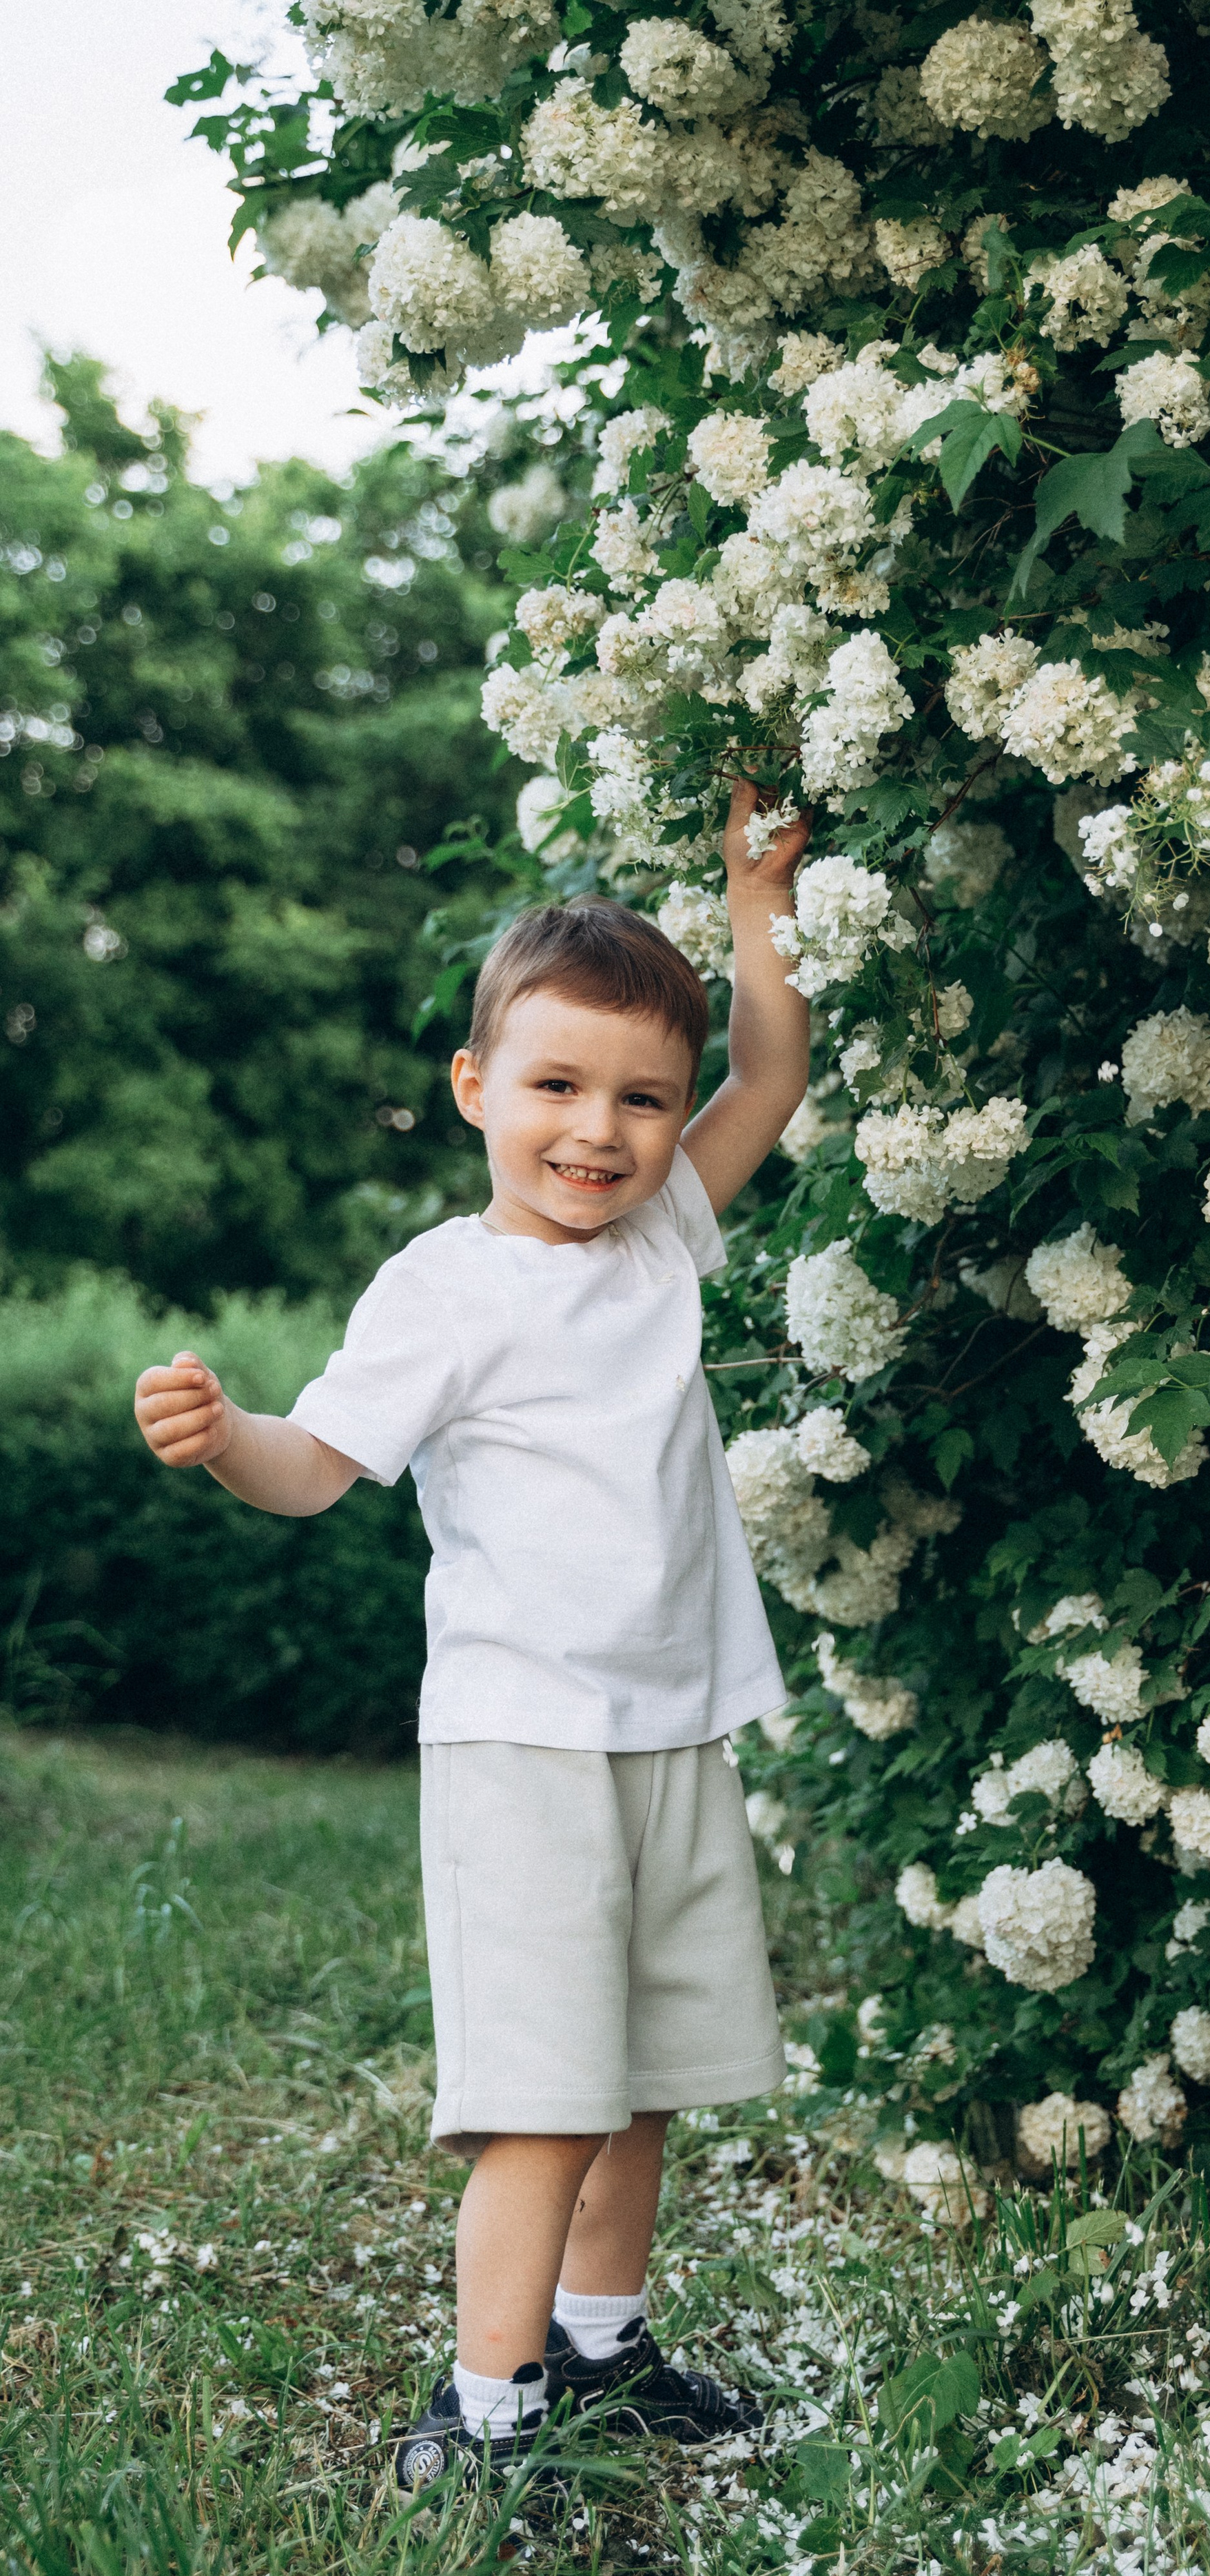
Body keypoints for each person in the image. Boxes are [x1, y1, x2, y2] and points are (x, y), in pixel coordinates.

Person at [133, 778, 812, 2484]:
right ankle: (486, 2411)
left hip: (670, 1724)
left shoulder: (663, 1231)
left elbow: (776, 1071)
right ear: (475, 1090)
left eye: (640, 1099)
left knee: (646, 2077)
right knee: (545, 2094)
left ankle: (603, 2347)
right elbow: (317, 1465)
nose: (600, 1130)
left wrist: (753, 910)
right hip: (524, 1742)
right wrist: (228, 1443)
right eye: (557, 1088)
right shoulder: (445, 1284)